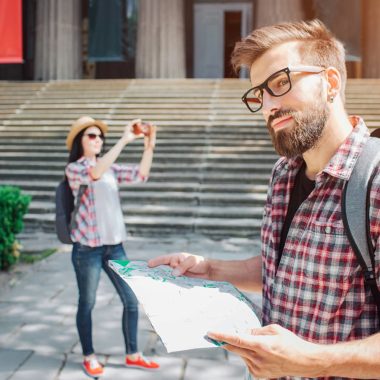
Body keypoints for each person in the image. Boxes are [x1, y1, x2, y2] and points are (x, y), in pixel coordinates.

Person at [148, 20, 380, 379]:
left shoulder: (375, 178)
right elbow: (286, 267)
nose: (269, 105)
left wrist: (310, 361)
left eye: (280, 83)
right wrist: (212, 270)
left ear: (330, 82)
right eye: (260, 94)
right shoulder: (283, 172)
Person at [65, 116, 160, 378]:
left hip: (114, 247)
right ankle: (89, 356)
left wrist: (148, 144)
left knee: (131, 300)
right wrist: (125, 139)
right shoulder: (75, 169)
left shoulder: (110, 169)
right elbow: (94, 174)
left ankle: (133, 354)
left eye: (99, 136)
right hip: (88, 250)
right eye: (91, 136)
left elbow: (141, 175)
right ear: (80, 141)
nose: (97, 140)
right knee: (88, 302)